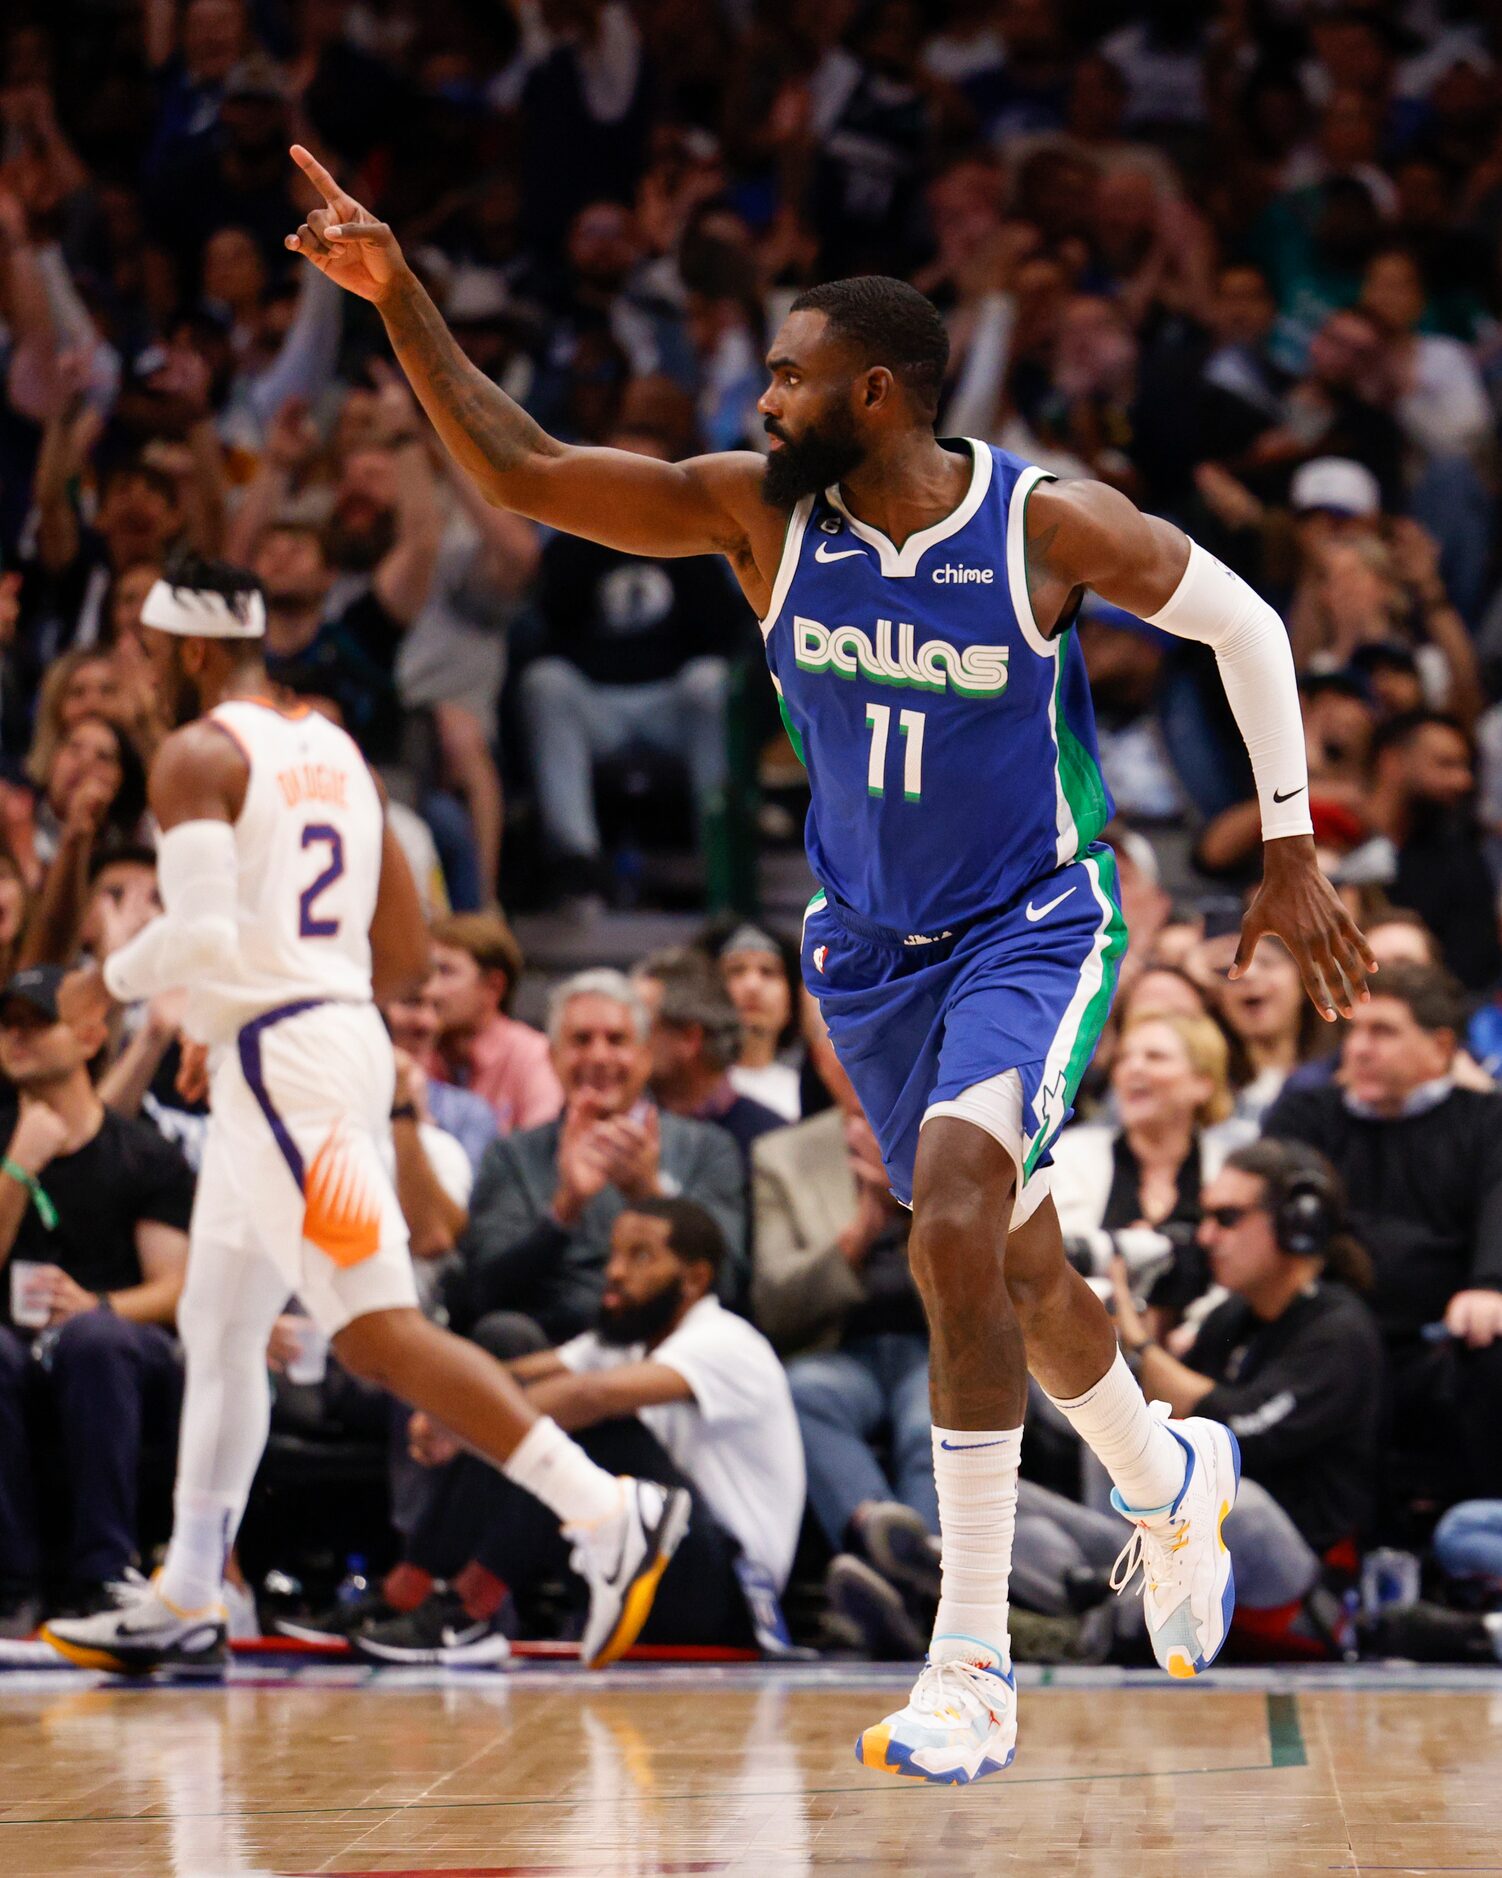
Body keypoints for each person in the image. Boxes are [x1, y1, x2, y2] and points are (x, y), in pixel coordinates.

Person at [285, 150, 1370, 1781]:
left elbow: (1248, 628)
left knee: (945, 1220)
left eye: (789, 375)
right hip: (866, 951)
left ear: (875, 390)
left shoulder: (1044, 524)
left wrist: (1287, 843)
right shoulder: (752, 514)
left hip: (1034, 922)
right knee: (1012, 1269)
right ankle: (1162, 1477)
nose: (761, 395)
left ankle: (973, 1660)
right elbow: (518, 468)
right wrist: (397, 297)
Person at [41, 556, 690, 1676]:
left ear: (189, 651)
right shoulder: (332, 749)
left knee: (373, 1326)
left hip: (290, 1067)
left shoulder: (198, 755)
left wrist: (102, 985)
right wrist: (242, 1008)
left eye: (147, 653)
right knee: (222, 1322)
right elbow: (398, 954)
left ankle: (599, 1511)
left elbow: (194, 938)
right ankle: (192, 1587)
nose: (140, 677)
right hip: (300, 1046)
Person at [353, 1198, 805, 1665]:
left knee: (575, 1427)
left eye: (640, 1256)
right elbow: (517, 1376)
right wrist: (443, 1406)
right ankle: (412, 1589)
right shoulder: (628, 1338)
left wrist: (461, 1429)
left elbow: (593, 1396)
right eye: (614, 1253)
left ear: (694, 1279)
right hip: (642, 1571)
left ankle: (471, 1611)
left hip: (721, 1593)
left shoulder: (727, 1341)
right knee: (500, 1386)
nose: (615, 1271)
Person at [1012, 1140, 1384, 1656]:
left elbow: (1235, 1434)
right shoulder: (1232, 1317)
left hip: (1295, 1581)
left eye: (1227, 1218)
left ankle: (1081, 1607)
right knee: (1007, 1498)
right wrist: (1151, 1317)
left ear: (1299, 1223)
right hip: (1175, 1552)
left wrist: (1139, 1345)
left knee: (1231, 1501)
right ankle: (1082, 1615)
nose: (1207, 1237)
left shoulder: (1339, 1330)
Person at [1263, 961, 1502, 1505]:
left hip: (1440, 1340)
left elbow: (1499, 1205)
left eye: (1384, 1031)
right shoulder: (1305, 1115)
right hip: (1325, 1336)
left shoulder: (1486, 1119)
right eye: (1354, 1031)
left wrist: (1492, 1283)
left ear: (1442, 1048)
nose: (1361, 1048)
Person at [0, 964, 194, 1629]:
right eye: (7, 1026)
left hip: (113, 1351)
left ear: (88, 1038)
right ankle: (13, 1585)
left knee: (94, 1342)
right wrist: (18, 1169)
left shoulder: (144, 1155)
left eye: (35, 1023)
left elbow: (174, 1288)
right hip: (12, 1349)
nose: (15, 1038)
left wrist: (98, 1307)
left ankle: (102, 1576)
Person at [446, 969, 747, 1344]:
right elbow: (482, 1293)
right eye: (581, 1040)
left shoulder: (707, 1148)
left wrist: (650, 1197)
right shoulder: (512, 1156)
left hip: (666, 1347)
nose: (599, 1056)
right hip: (547, 1343)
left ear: (644, 1055)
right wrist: (564, 1209)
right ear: (553, 1057)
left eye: (616, 1040)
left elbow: (729, 1284)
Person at [631, 946, 783, 1166]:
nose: (626, 1046)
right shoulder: (621, 1125)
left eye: (641, 1027)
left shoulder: (769, 1142)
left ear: (689, 1038)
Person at [423, 912, 562, 1137]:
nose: (430, 989)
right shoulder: (417, 1052)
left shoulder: (533, 1056)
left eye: (446, 971)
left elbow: (540, 1156)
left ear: (493, 986)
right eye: (427, 973)